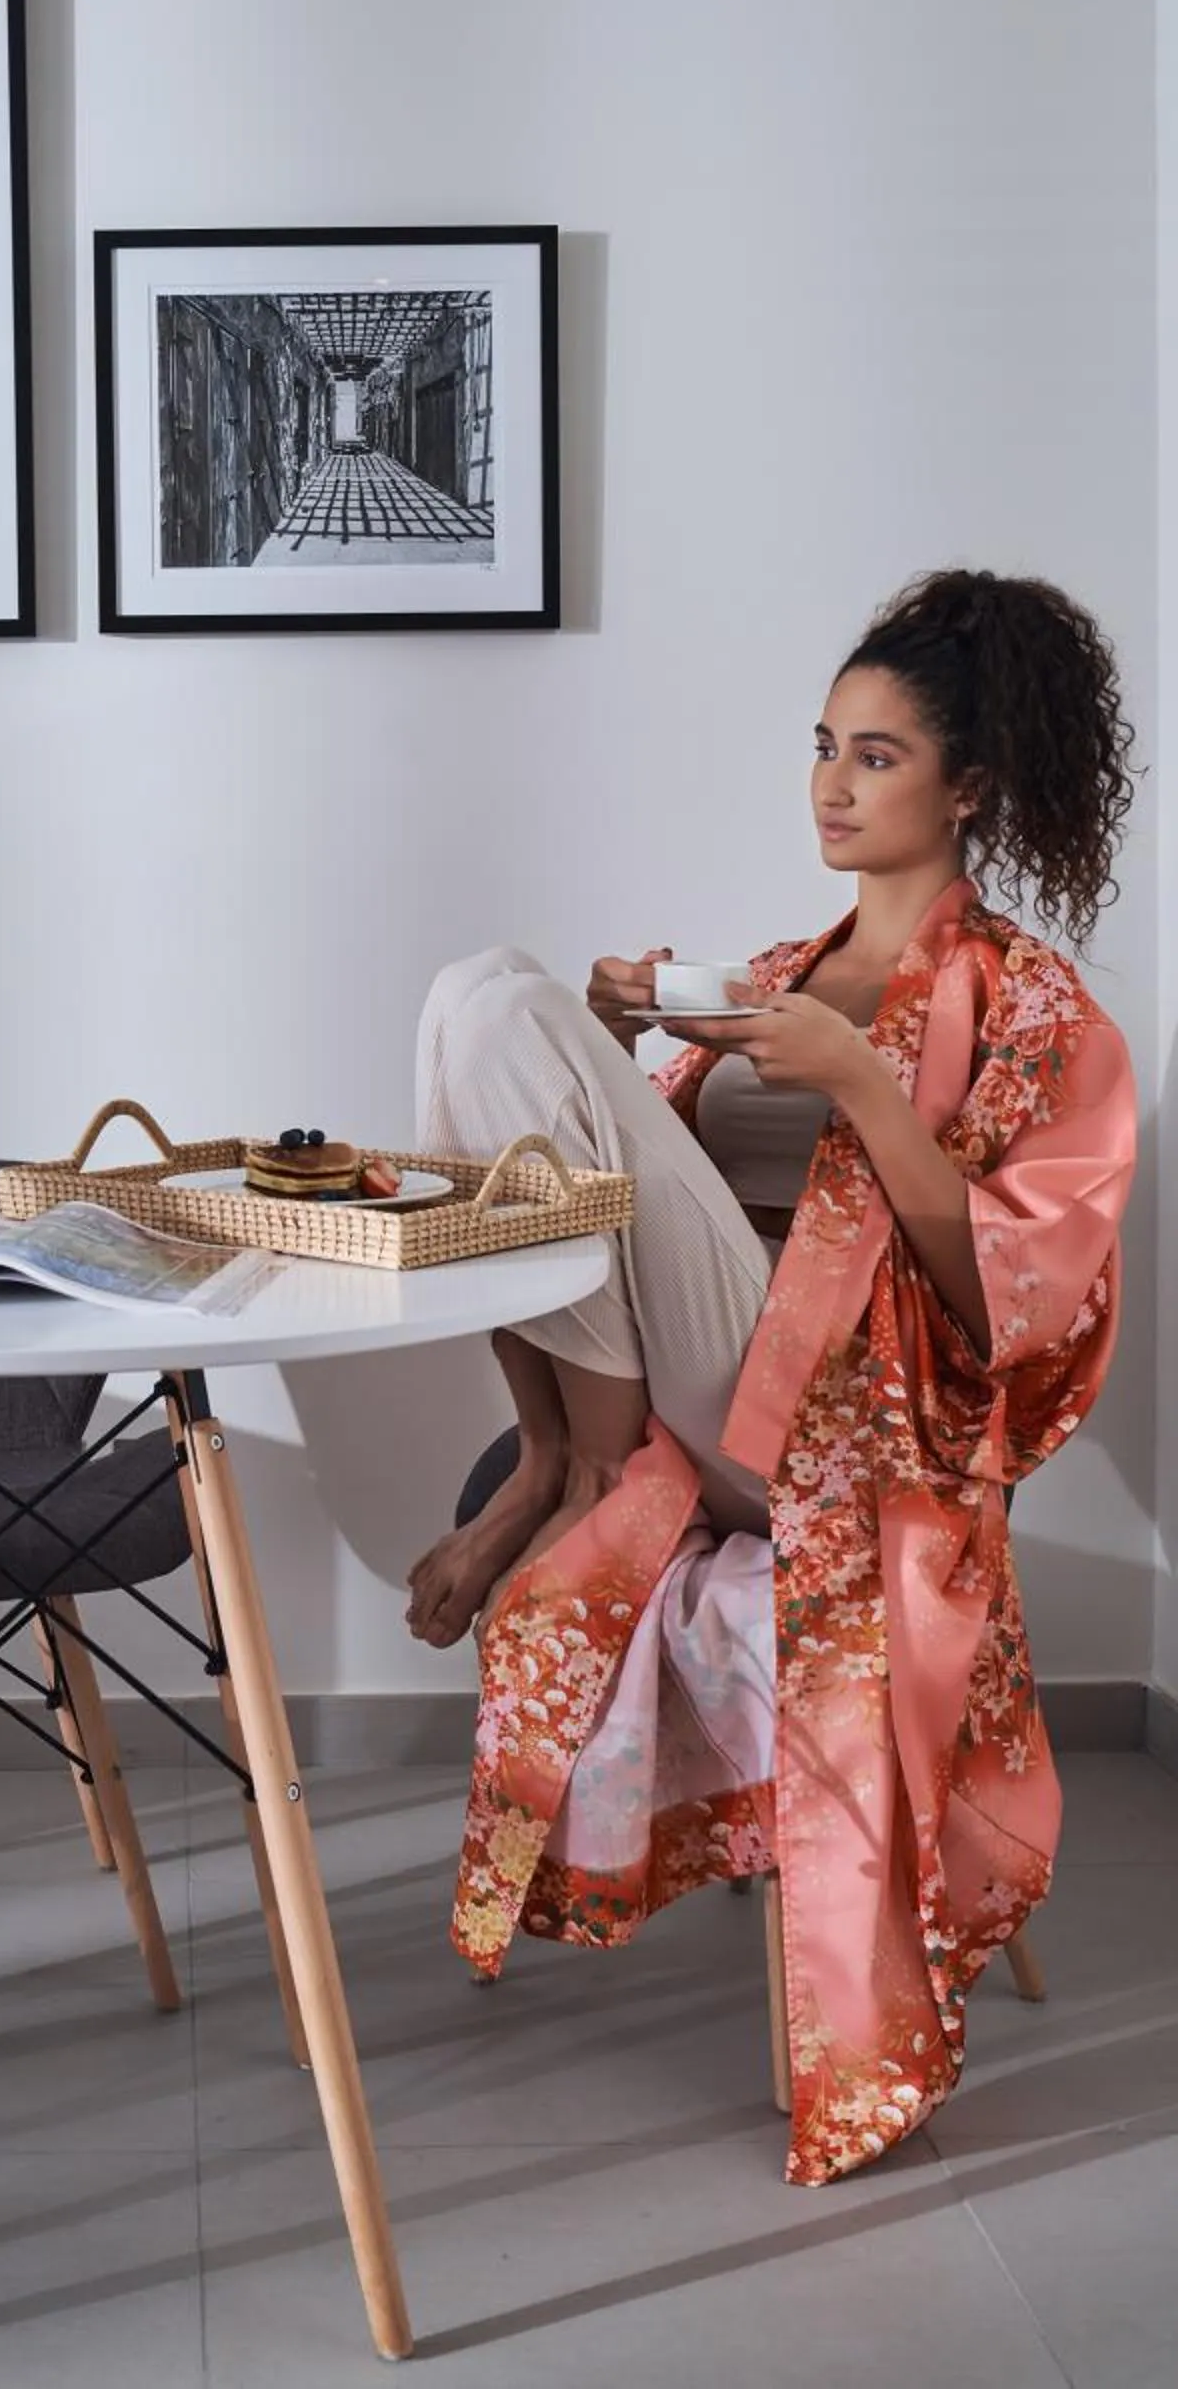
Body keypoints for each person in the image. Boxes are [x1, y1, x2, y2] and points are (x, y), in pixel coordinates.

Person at [408, 569, 1138, 2183]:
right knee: (487, 1011)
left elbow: (1030, 1304)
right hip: (715, 1402)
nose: (830, 780)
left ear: (974, 787)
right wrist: (630, 1062)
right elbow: (622, 1230)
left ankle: (573, 1468)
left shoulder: (1038, 1011)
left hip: (863, 1442)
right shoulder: (771, 973)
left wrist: (872, 1092)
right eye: (824, 744)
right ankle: (555, 1459)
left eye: (877, 756)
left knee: (495, 994)